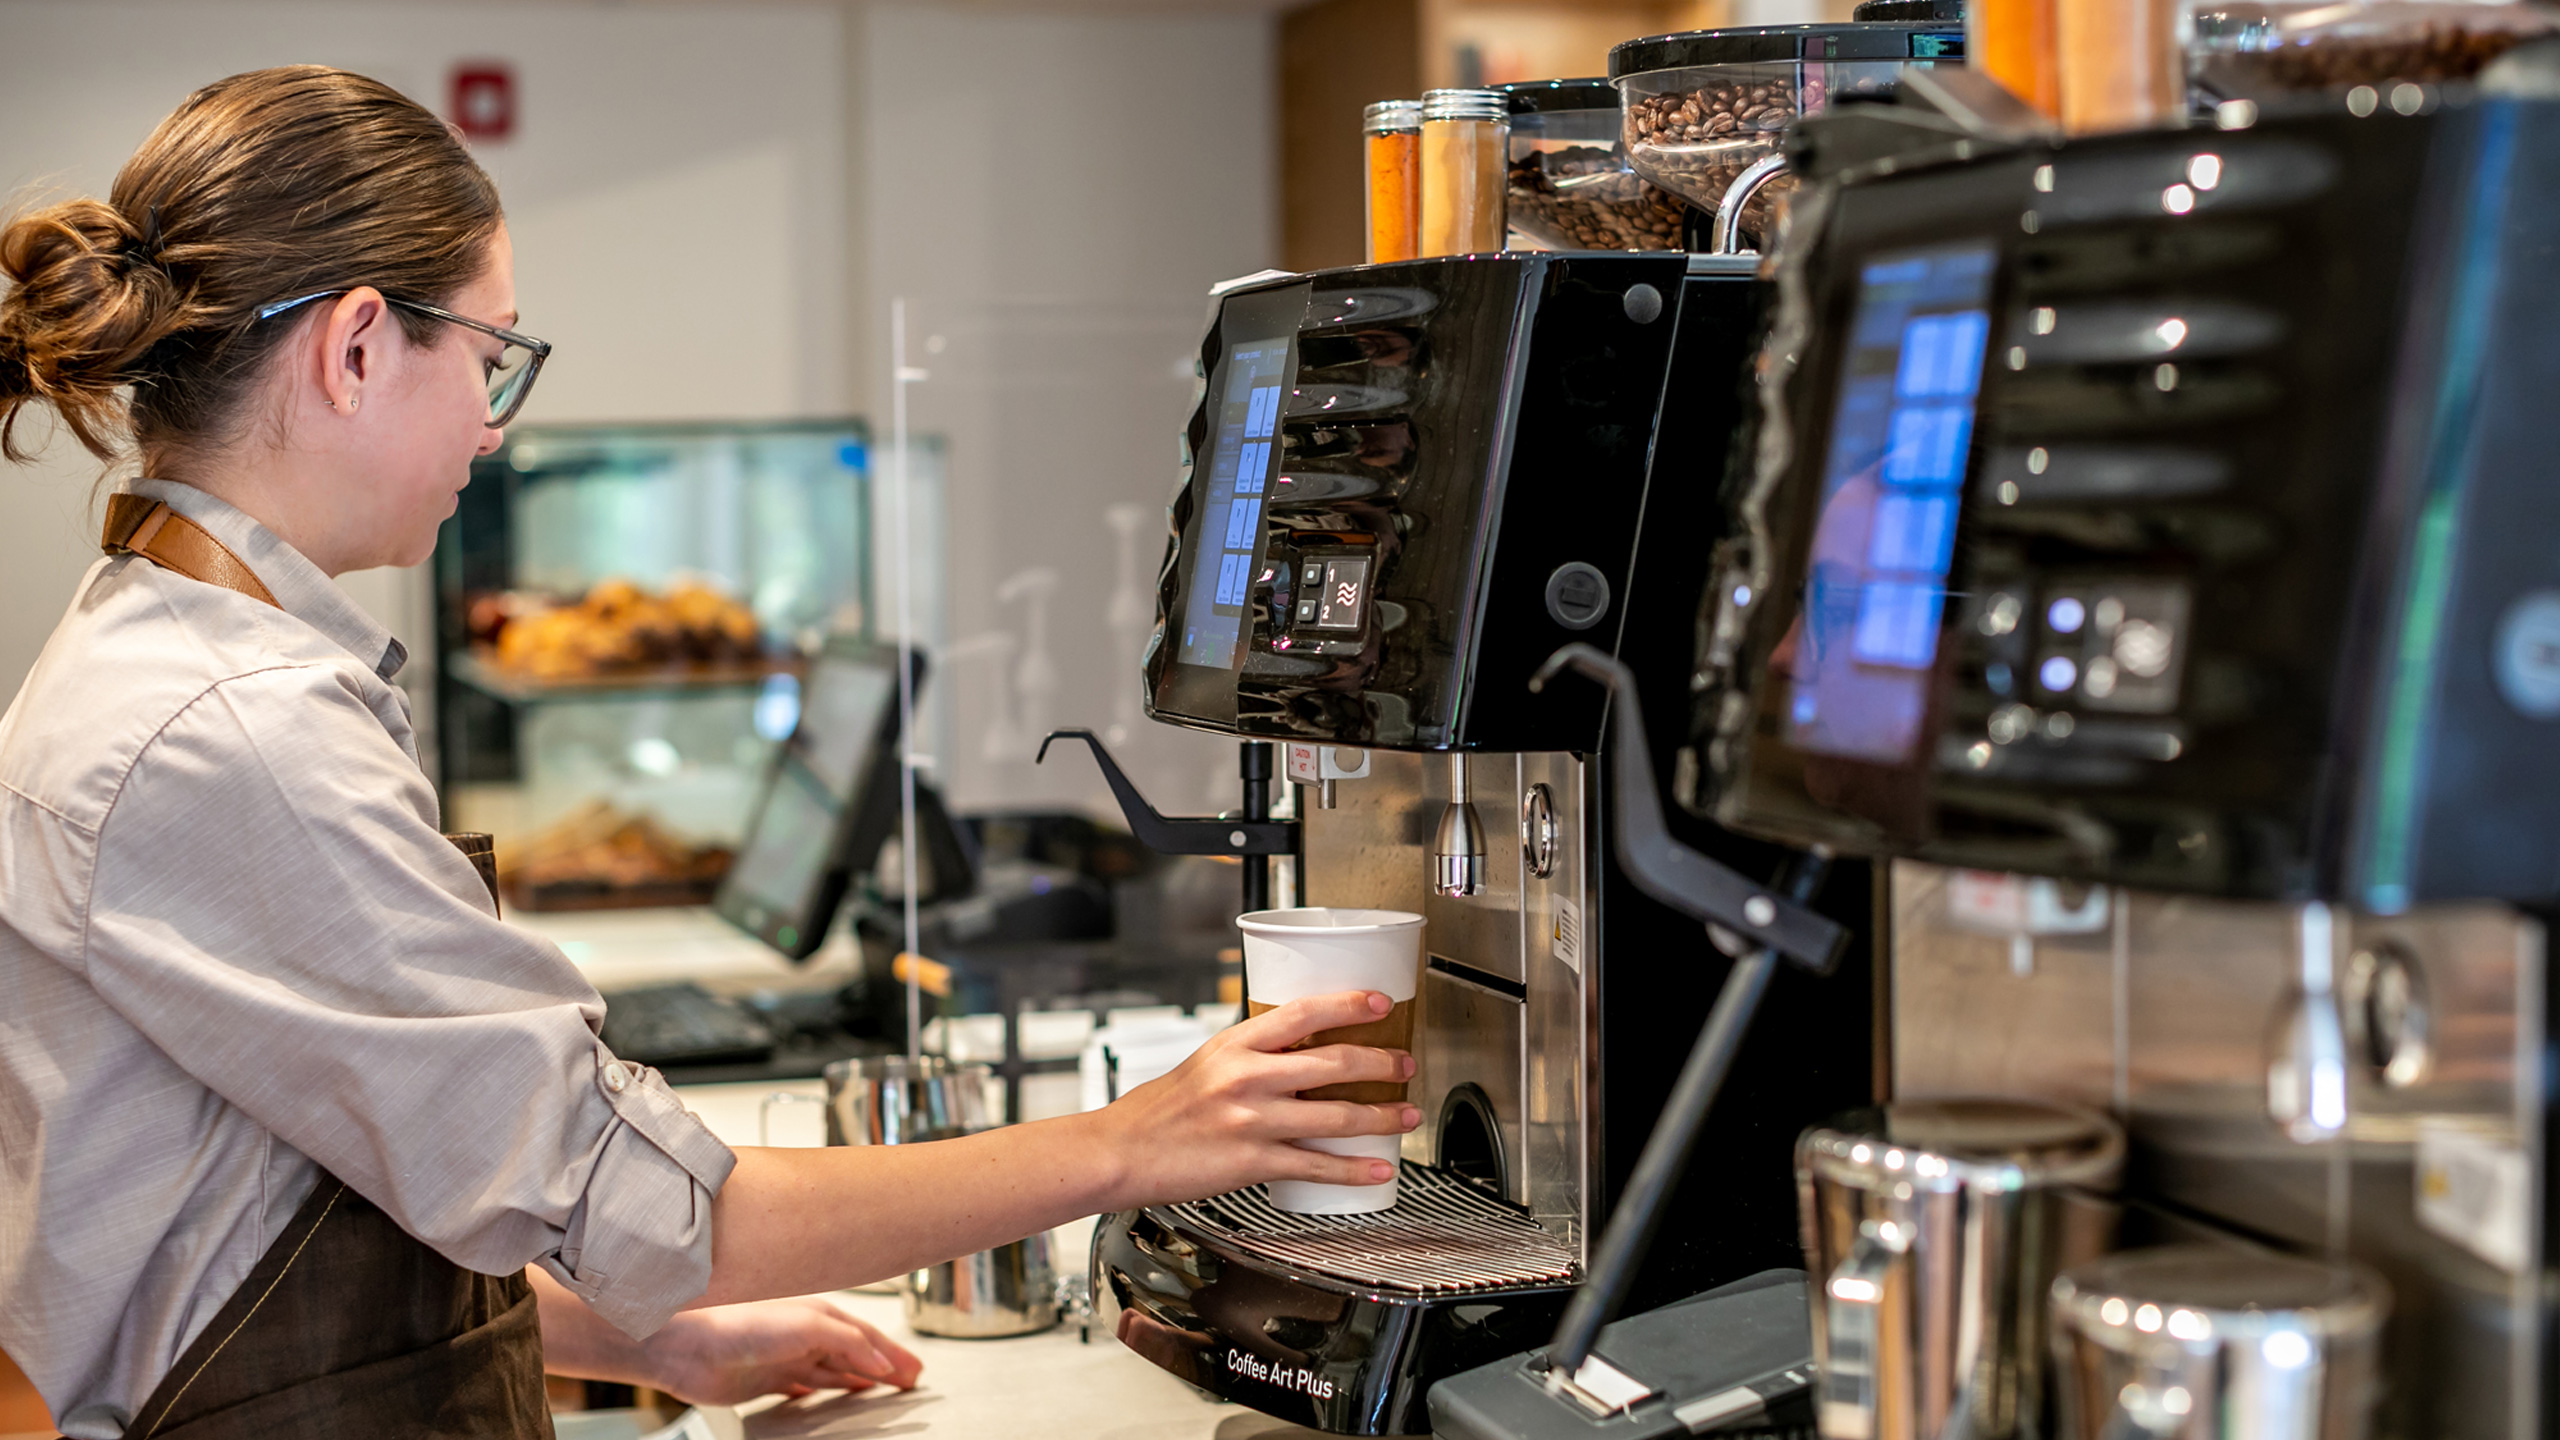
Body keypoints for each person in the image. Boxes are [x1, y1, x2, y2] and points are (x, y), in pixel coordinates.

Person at [0, 66, 1416, 1440]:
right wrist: (1138, 1141)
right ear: (359, 345)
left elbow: (257, 1198)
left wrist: (643, 1341)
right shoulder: (233, 730)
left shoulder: (175, 655)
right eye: (492, 357)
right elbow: (656, 1204)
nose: (494, 431)